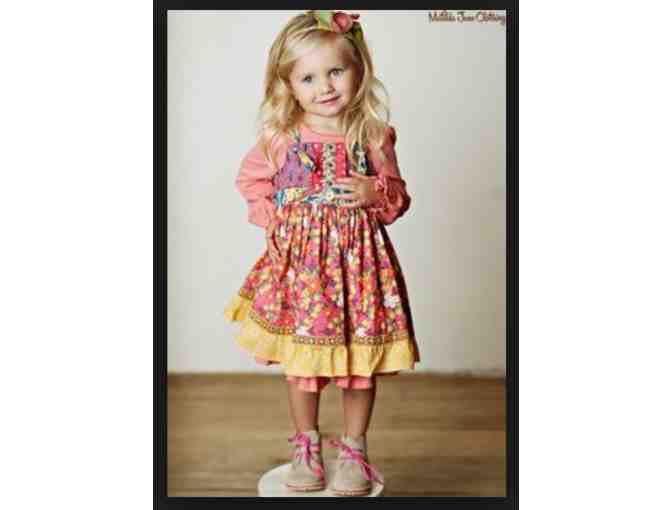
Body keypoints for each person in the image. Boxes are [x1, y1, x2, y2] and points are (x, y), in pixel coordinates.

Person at [223, 10, 420, 497]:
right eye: (308, 77)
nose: (325, 87)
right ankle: (305, 447)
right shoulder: (282, 137)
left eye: (336, 71)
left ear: (358, 70)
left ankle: (354, 449)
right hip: (304, 273)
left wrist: (374, 191)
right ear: (288, 85)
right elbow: (250, 181)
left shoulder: (371, 134)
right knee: (303, 365)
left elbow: (396, 198)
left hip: (359, 270)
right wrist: (274, 221)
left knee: (358, 367)